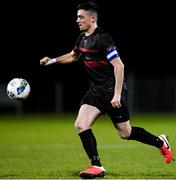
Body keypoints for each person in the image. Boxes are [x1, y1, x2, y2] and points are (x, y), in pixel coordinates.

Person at [40, 2, 173, 179]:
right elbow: (73, 56)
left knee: (125, 133)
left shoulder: (103, 39)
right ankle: (96, 165)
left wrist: (117, 94)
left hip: (112, 91)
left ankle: (160, 142)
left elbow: (119, 66)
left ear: (92, 18)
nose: (77, 20)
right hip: (95, 92)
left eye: (81, 17)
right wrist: (53, 61)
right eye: (77, 16)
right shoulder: (82, 38)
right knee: (81, 124)